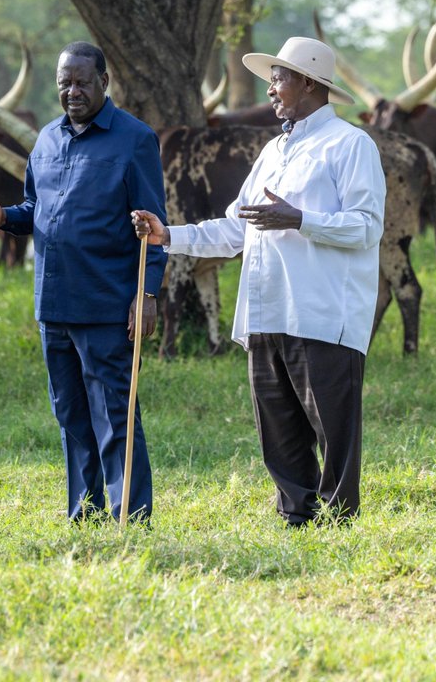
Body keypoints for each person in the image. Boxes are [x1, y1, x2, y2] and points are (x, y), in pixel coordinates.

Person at [132, 37, 385, 527]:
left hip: (323, 315)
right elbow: (234, 229)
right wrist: (169, 235)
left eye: (279, 78)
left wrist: (299, 219)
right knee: (278, 432)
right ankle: (296, 521)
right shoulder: (273, 150)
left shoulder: (351, 145)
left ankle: (339, 526)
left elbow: (366, 226)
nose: (269, 89)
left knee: (332, 430)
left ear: (309, 82)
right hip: (266, 311)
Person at [0, 41, 167, 523]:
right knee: (70, 416)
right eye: (65, 83)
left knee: (115, 415)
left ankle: (130, 516)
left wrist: (146, 295)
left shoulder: (134, 139)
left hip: (105, 302)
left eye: (82, 81)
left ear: (104, 81)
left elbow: (153, 226)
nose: (73, 91)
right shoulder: (46, 140)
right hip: (53, 302)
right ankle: (85, 511)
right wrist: (2, 217)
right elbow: (36, 209)